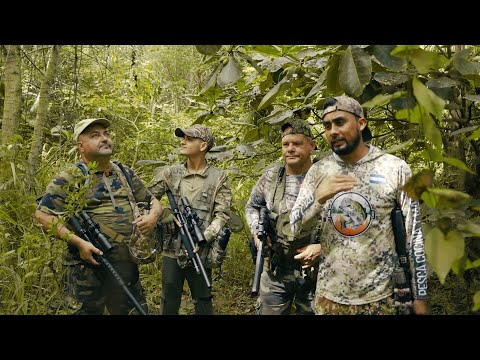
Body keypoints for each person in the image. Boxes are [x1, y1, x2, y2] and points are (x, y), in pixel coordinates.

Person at [290, 96, 428, 315]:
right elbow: (295, 227)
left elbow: (414, 237)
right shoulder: (319, 171)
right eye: (327, 126)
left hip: (381, 298)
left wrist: (420, 296)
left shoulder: (394, 169)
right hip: (330, 298)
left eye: (340, 122)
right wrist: (318, 199)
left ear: (361, 123)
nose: (333, 131)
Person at [34, 118, 163, 315]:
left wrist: (153, 216)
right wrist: (78, 242)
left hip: (125, 267)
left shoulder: (124, 172)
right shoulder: (70, 177)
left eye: (105, 134)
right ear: (81, 146)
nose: (104, 138)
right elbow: (42, 216)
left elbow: (153, 200)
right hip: (85, 271)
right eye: (95, 135)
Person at [148, 124, 232, 315]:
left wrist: (205, 237)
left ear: (203, 146)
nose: (182, 142)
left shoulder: (219, 177)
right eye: (182, 138)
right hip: (171, 249)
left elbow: (222, 215)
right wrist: (163, 213)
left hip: (201, 251)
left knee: (203, 301)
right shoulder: (171, 173)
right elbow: (147, 197)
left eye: (189, 139)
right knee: (168, 300)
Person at [245, 119, 320, 315]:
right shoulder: (271, 176)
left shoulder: (326, 176)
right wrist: (257, 233)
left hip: (316, 272)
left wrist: (322, 247)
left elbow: (347, 226)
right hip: (276, 271)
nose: (290, 149)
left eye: (297, 143)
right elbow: (253, 206)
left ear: (312, 146)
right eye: (286, 144)